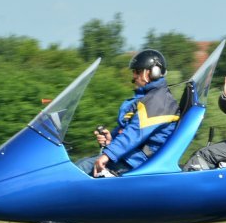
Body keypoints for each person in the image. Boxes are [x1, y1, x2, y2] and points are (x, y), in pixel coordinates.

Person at [76, 49, 180, 177]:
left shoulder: (158, 102)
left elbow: (134, 133)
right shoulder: (152, 98)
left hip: (138, 163)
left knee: (80, 169)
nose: (134, 76)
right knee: (79, 164)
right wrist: (111, 140)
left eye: (137, 71)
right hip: (131, 157)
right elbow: (131, 131)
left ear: (152, 72)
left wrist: (108, 154)